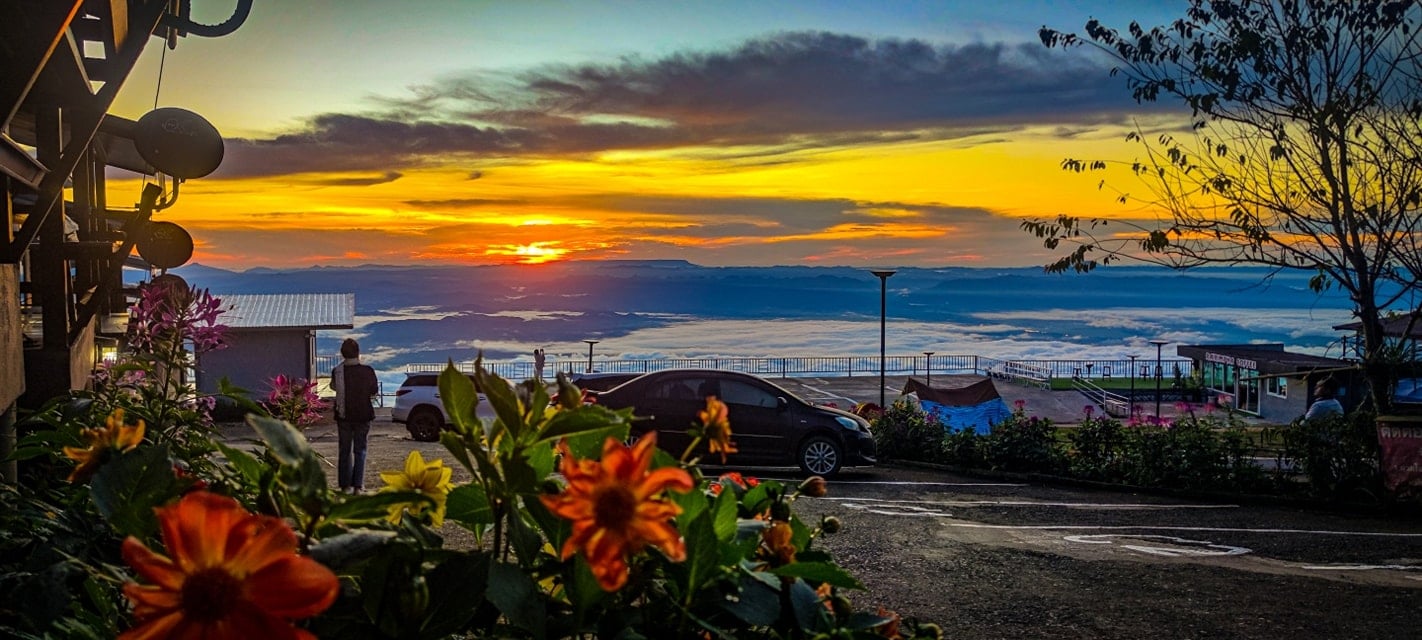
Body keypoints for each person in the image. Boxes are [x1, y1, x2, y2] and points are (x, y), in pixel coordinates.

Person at [331, 338, 378, 494]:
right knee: (360, 450)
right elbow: (373, 391)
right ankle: (358, 486)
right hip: (363, 415)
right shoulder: (368, 371)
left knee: (344, 450)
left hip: (343, 415)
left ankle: (345, 486)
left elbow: (333, 387)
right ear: (358, 353)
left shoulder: (337, 371)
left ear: (342, 354)